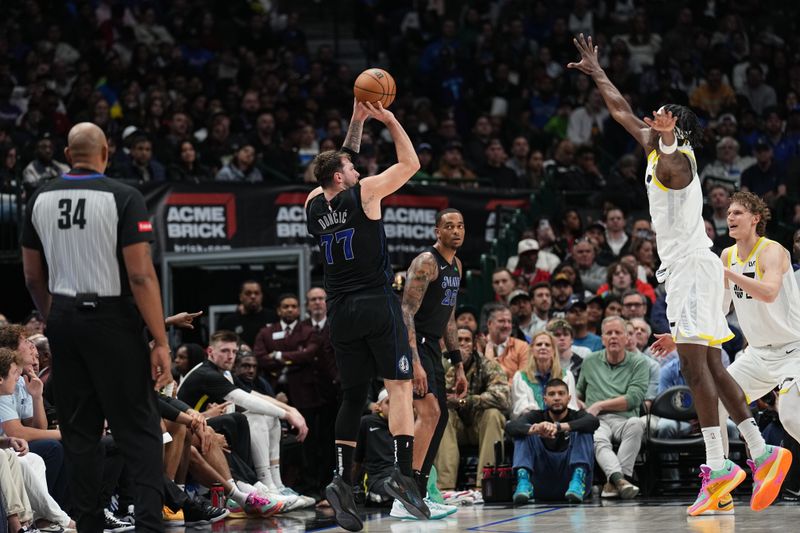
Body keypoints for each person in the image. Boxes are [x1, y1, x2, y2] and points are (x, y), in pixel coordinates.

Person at [569, 34, 783, 516]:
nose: (651, 120)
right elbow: (623, 113)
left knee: (694, 367)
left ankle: (719, 464)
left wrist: (666, 137)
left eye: (664, 119)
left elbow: (669, 162)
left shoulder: (678, 160)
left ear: (678, 128)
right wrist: (598, 72)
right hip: (695, 269)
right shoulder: (655, 148)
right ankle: (762, 452)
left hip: (690, 267)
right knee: (710, 365)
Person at [21, 122, 171, 532]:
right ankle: (148, 526)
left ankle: (88, 526)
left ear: (69, 156)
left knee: (80, 433)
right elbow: (141, 276)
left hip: (64, 319)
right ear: (106, 152)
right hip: (113, 320)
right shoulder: (123, 196)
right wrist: (159, 339)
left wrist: (55, 317)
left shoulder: (39, 197)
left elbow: (33, 276)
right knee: (138, 431)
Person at [304, 99, 429, 531]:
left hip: (339, 311)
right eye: (351, 169)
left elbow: (335, 165)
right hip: (376, 304)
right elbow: (410, 163)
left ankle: (340, 480)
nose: (358, 171)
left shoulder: (312, 204)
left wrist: (356, 120)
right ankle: (402, 474)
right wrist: (390, 118)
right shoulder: (367, 193)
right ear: (342, 177)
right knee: (398, 385)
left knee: (354, 396)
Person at [653, 191, 799, 513]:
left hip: (795, 350)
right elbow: (716, 313)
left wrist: (730, 275)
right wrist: (682, 338)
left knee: (790, 416)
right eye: (729, 213)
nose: (730, 218)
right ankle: (721, 483)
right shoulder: (726, 256)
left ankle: (760, 459)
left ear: (755, 218)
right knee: (714, 400)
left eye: (737, 213)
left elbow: (770, 293)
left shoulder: (772, 251)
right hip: (759, 353)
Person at [398, 208, 468, 519]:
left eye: (460, 226)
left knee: (439, 419)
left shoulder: (457, 265)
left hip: (432, 347)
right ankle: (405, 493)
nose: (456, 231)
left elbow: (449, 317)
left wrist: (458, 362)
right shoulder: (427, 262)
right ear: (436, 231)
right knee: (430, 411)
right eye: (449, 226)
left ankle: (419, 491)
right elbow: (406, 312)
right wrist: (415, 362)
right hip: (414, 346)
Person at [576, 316, 648, 500]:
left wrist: (599, 405)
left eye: (618, 333)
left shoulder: (639, 362)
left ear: (626, 338)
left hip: (624, 418)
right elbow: (578, 394)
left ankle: (614, 482)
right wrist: (579, 404)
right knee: (597, 437)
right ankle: (620, 481)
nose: (613, 337)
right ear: (602, 338)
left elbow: (633, 399)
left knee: (637, 424)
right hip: (597, 420)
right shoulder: (590, 361)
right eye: (609, 333)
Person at [434, 327, 510, 491]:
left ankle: (484, 484)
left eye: (467, 340)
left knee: (493, 414)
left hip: (480, 426)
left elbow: (503, 398)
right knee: (442, 415)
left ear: (475, 344)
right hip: (456, 429)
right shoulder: (443, 366)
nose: (462, 344)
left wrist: (465, 401)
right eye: (458, 340)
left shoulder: (489, 366)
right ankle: (444, 487)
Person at [507, 378, 599, 504]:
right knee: (524, 432)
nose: (556, 398)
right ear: (545, 399)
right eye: (551, 394)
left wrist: (559, 427)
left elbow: (594, 422)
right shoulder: (536, 415)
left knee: (583, 429)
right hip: (541, 485)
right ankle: (523, 482)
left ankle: (578, 479)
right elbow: (510, 427)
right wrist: (536, 429)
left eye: (561, 393)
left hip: (573, 486)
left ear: (569, 398)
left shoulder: (578, 415)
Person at [511, 331, 579, 420]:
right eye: (539, 344)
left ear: (553, 350)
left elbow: (571, 406)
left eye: (547, 345)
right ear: (532, 350)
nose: (543, 347)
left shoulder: (566, 375)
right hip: (531, 425)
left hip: (562, 424)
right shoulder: (520, 376)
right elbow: (521, 408)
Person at [219, 281, 278, 347]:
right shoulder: (229, 322)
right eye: (248, 293)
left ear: (262, 296)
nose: (253, 296)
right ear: (240, 297)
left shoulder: (274, 318)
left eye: (256, 293)